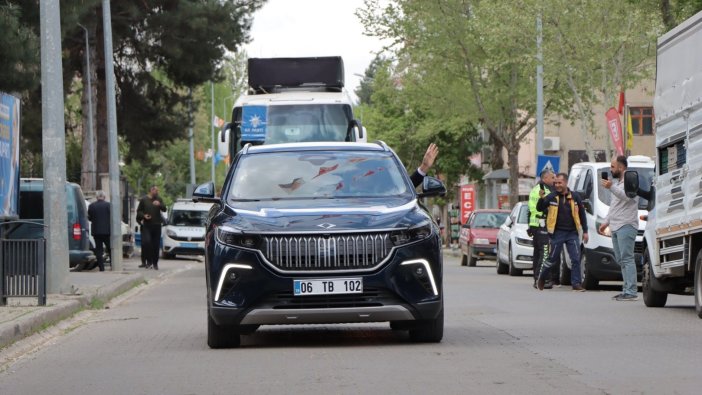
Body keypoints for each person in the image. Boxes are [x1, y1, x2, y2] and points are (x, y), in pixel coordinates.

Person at [536, 173, 589, 291]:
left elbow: (582, 214)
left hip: (572, 233)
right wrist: (542, 198)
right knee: (552, 259)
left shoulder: (575, 197)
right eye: (555, 183)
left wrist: (585, 231)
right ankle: (542, 278)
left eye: (560, 183)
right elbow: (539, 208)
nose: (557, 185)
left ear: (566, 183)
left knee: (575, 258)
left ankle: (576, 284)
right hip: (557, 233)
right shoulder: (551, 197)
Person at [600, 155, 640, 301]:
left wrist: (611, 187)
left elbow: (628, 197)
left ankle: (631, 291)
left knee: (627, 258)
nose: (611, 170)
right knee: (621, 259)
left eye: (612, 166)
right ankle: (626, 289)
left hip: (626, 225)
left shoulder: (631, 182)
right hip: (615, 225)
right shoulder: (617, 184)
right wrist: (606, 222)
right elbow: (614, 206)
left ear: (621, 167)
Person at [528, 169, 559, 289]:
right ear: (545, 178)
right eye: (552, 178)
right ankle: (542, 279)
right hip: (542, 224)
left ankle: (537, 278)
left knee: (538, 253)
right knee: (545, 253)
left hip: (535, 225)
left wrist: (530, 227)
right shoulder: (544, 190)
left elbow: (529, 210)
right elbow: (547, 208)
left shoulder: (535, 188)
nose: (554, 180)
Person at [136, 186, 166, 270]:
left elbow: (164, 209)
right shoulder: (144, 199)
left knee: (156, 245)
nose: (157, 192)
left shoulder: (159, 199)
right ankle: (148, 262)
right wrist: (144, 215)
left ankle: (155, 263)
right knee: (147, 242)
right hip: (147, 225)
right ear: (151, 190)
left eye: (158, 190)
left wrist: (159, 204)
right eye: (156, 190)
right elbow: (139, 211)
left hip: (157, 225)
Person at [88, 190, 111, 272]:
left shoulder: (91, 206)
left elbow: (89, 218)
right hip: (107, 231)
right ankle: (113, 265)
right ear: (104, 197)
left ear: (97, 197)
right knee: (110, 248)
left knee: (99, 250)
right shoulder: (109, 205)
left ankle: (101, 268)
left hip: (96, 231)